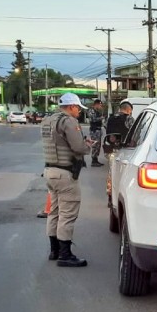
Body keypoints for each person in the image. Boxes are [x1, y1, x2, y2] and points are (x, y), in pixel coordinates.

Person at [41, 93, 94, 268]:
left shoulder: (48, 120)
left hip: (50, 171)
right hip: (65, 174)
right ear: (71, 107)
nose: (79, 111)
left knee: (54, 212)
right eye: (78, 107)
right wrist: (87, 146)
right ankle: (65, 255)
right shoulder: (69, 121)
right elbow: (78, 147)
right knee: (68, 214)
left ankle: (54, 250)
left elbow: (59, 143)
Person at [87, 99, 105, 166]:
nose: (100, 106)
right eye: (100, 105)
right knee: (95, 145)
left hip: (98, 130)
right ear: (96, 104)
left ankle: (96, 159)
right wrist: (101, 118)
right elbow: (93, 119)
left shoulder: (97, 111)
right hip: (94, 130)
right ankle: (94, 160)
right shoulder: (91, 111)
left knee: (98, 146)